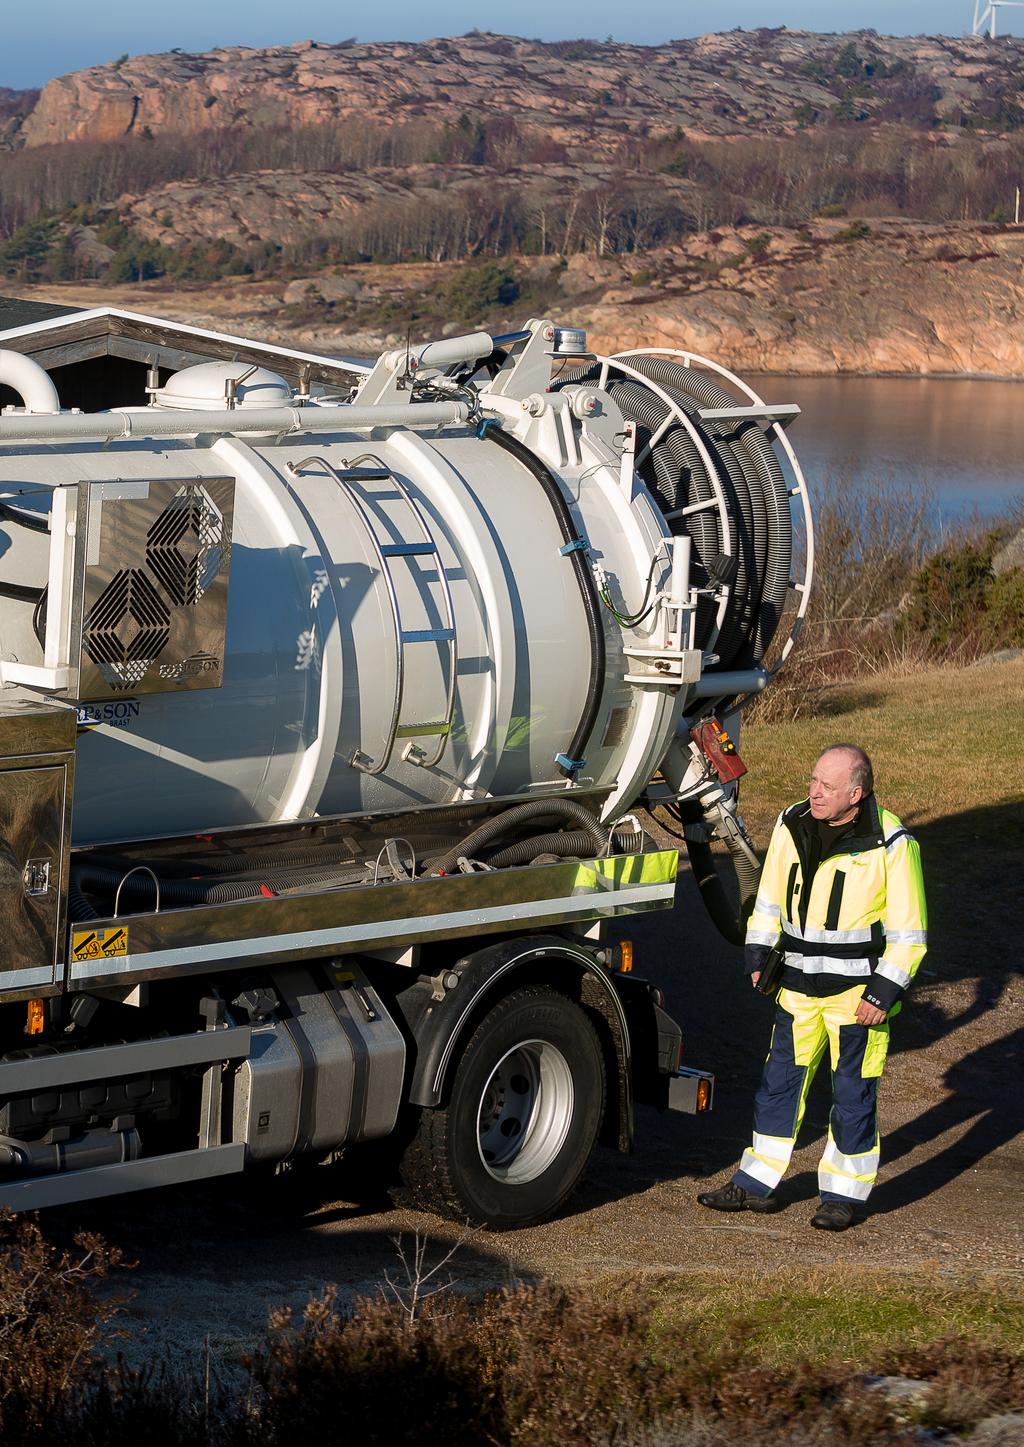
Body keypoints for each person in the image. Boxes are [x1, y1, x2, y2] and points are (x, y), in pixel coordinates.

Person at [697, 743, 927, 1232]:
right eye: (813, 780)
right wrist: (758, 954)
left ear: (856, 793)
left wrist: (882, 995)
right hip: (797, 991)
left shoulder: (892, 841)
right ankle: (755, 1182)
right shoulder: (791, 823)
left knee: (852, 1094)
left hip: (857, 1000)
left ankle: (843, 1194)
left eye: (827, 785)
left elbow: (910, 935)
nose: (814, 792)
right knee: (777, 1088)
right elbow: (769, 898)